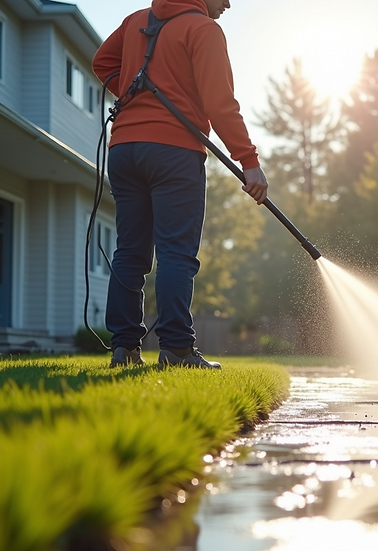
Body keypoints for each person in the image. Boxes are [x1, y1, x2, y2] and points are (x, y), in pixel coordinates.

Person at [92, 0, 268, 368]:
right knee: (175, 251)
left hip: (124, 149)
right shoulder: (203, 30)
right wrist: (248, 161)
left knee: (130, 251)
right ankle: (176, 349)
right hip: (174, 151)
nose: (228, 4)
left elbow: (102, 64)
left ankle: (124, 348)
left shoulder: (136, 20)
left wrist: (130, 93)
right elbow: (220, 103)